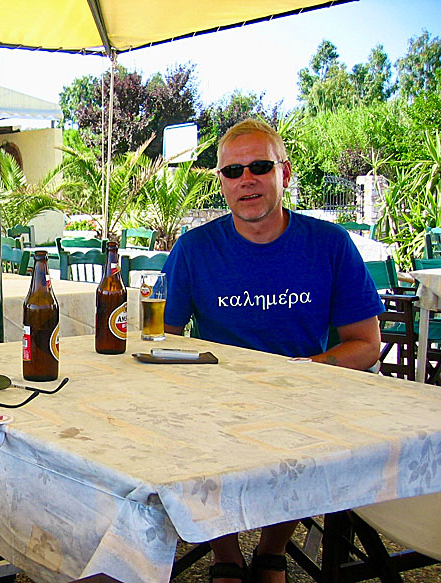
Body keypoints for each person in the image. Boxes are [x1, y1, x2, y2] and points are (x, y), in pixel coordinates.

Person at [162, 119, 384, 583]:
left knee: (301, 433)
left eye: (259, 166)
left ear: (283, 171)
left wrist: (309, 369)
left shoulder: (330, 245)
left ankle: (271, 551)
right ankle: (224, 554)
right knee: (189, 430)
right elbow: (163, 339)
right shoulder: (193, 249)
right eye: (232, 171)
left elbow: (367, 344)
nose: (247, 179)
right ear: (221, 182)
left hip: (300, 396)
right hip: (214, 401)